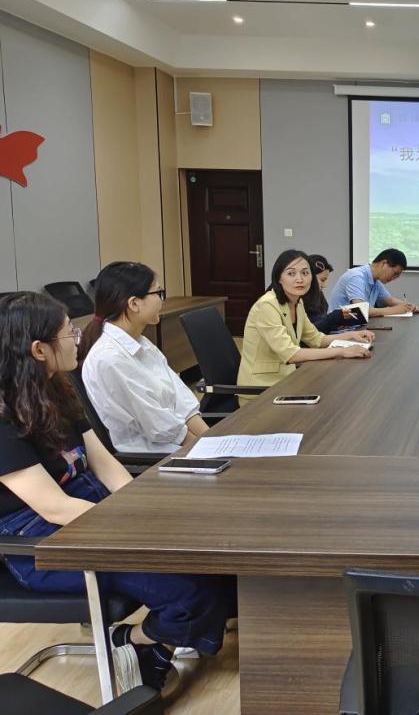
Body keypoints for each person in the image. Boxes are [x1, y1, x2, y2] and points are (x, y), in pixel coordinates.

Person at [0, 292, 235, 694]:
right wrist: (139, 529)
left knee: (217, 560)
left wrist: (144, 510)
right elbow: (54, 508)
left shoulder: (55, 390)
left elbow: (104, 463)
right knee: (190, 590)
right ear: (38, 350)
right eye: (68, 333)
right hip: (42, 543)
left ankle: (151, 638)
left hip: (91, 512)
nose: (77, 339)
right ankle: (141, 643)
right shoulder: (5, 421)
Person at [77, 261, 208, 454]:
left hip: (176, 443)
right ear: (134, 304)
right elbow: (159, 426)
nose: (162, 301)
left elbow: (181, 401)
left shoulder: (140, 342)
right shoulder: (109, 358)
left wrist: (210, 438)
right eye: (158, 293)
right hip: (154, 456)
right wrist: (204, 448)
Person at [237, 250, 375, 397]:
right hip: (261, 390)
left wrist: (351, 335)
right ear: (279, 278)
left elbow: (316, 339)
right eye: (291, 274)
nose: (300, 279)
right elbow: (291, 354)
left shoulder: (297, 302)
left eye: (305, 273)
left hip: (287, 380)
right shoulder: (267, 305)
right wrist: (343, 351)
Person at [328, 248, 419, 318]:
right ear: (384, 264)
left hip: (357, 327)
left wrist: (409, 306)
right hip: (340, 330)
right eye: (395, 273)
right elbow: (361, 310)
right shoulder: (356, 277)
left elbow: (390, 300)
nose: (394, 278)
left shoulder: (376, 281)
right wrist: (394, 310)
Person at [303, 254, 361, 334]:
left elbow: (323, 322)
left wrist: (339, 323)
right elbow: (310, 332)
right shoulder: (299, 301)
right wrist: (335, 317)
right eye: (322, 280)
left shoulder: (318, 295)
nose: (324, 285)